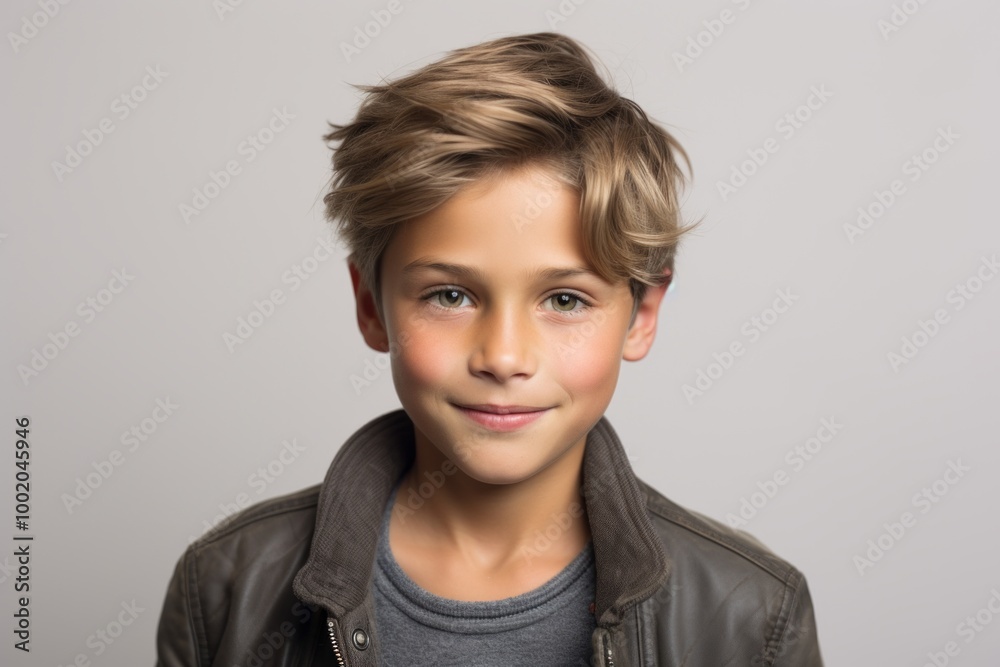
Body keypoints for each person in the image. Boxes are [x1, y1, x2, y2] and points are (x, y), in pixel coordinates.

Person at [155, 31, 823, 666]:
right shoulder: (227, 586)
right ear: (371, 305)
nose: (503, 357)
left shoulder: (751, 614)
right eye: (450, 295)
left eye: (565, 300)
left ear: (642, 314)